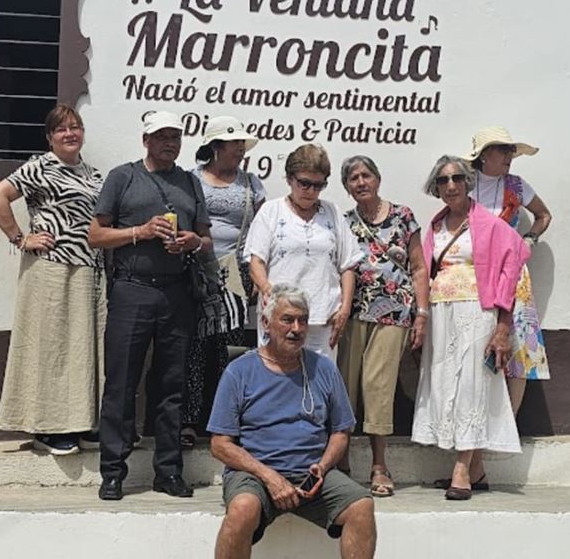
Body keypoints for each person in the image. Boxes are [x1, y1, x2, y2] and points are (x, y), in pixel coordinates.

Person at [88, 110, 213, 501]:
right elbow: (96, 235)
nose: (170, 143)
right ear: (146, 140)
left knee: (172, 385)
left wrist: (192, 242)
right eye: (161, 136)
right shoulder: (122, 177)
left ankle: (169, 471)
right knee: (121, 383)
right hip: (132, 290)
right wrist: (140, 232)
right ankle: (112, 472)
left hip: (177, 293)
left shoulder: (190, 182)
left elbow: (207, 240)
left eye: (175, 136)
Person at [209, 284, 377, 559]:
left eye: (303, 320)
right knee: (241, 509)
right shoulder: (239, 371)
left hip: (311, 474)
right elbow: (220, 445)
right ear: (266, 323)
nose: (296, 329)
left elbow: (341, 431)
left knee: (361, 506)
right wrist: (269, 477)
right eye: (287, 319)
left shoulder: (324, 368)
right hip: (255, 474)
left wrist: (323, 466)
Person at [0, 104, 105, 456]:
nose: (70, 133)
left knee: (82, 347)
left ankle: (81, 421)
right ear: (50, 137)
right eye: (61, 129)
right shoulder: (39, 166)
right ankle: (48, 427)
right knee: (51, 346)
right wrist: (20, 238)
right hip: (51, 268)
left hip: (89, 268)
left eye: (75, 127)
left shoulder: (93, 174)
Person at [411, 155, 528, 500]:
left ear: (467, 182)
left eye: (457, 178)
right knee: (447, 383)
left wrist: (502, 326)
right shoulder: (435, 227)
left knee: (471, 385)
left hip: (477, 310)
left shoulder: (489, 225)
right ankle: (476, 470)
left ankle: (461, 469)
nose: (451, 186)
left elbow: (515, 261)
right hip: (441, 313)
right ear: (436, 187)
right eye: (443, 180)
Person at [337, 155, 430, 497]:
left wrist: (422, 314)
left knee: (379, 386)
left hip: (394, 313)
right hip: (352, 313)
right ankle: (341, 461)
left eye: (366, 175)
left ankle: (379, 465)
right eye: (353, 178)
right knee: (345, 386)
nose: (361, 182)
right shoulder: (344, 222)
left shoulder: (403, 216)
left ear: (377, 178)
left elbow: (418, 268)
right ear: (346, 187)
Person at [181, 116, 266, 449]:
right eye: (235, 144)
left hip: (236, 274)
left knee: (229, 348)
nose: (241, 149)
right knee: (195, 346)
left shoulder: (251, 184)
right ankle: (189, 420)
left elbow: (262, 231)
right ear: (215, 147)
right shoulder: (191, 179)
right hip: (196, 272)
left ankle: (225, 422)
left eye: (243, 144)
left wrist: (259, 273)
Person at [466, 126, 553, 414]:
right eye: (503, 150)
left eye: (511, 151)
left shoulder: (516, 186)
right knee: (476, 338)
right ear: (484, 154)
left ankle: (511, 421)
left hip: (512, 271)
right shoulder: (465, 184)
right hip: (474, 272)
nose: (509, 156)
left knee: (518, 345)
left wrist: (529, 239)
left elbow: (544, 215)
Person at [245, 144, 361, 360]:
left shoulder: (332, 212)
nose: (311, 191)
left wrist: (344, 309)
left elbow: (347, 266)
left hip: (322, 317)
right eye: (304, 183)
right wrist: (266, 287)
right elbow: (256, 261)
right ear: (290, 179)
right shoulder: (271, 211)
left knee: (319, 377)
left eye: (319, 185)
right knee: (276, 374)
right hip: (279, 318)